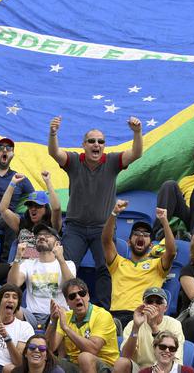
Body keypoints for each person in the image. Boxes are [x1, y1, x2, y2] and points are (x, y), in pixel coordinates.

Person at [48, 115, 142, 308]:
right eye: (92, 141)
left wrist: (137, 133)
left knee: (105, 269)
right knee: (66, 267)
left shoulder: (113, 161)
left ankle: (106, 311)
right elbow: (54, 152)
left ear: (104, 146)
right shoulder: (74, 160)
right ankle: (62, 308)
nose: (96, 144)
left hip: (103, 228)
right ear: (84, 145)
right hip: (75, 228)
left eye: (100, 141)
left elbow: (137, 153)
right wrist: (53, 133)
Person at [104, 201, 175, 327]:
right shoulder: (117, 262)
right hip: (116, 315)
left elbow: (171, 252)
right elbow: (106, 241)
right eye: (136, 233)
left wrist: (164, 221)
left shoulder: (157, 265)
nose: (141, 235)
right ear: (129, 242)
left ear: (152, 245)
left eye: (146, 235)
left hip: (144, 315)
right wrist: (114, 213)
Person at [0, 171, 61, 283]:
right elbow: (3, 209)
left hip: (42, 267)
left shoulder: (52, 226)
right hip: (19, 266)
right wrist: (12, 183)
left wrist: (48, 182)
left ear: (45, 208)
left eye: (37, 205)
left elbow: (56, 208)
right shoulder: (22, 223)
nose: (33, 209)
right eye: (30, 205)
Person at [7, 224, 76, 330]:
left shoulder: (68, 264)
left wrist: (61, 259)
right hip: (32, 316)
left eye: (47, 235)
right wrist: (17, 258)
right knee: (10, 307)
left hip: (57, 314)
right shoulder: (27, 263)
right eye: (39, 235)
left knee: (60, 313)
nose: (42, 237)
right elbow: (12, 284)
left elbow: (71, 287)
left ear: (57, 243)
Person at [46, 278, 119, 373]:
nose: (78, 298)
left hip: (103, 365)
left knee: (85, 357)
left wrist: (66, 329)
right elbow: (51, 347)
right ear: (67, 302)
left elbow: (93, 350)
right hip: (74, 365)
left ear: (88, 296)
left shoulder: (102, 315)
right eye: (72, 296)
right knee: (46, 359)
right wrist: (54, 321)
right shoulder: (65, 317)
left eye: (82, 293)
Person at [115, 287, 185, 373]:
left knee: (165, 364)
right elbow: (126, 355)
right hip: (140, 369)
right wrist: (136, 328)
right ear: (143, 305)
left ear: (165, 308)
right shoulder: (133, 324)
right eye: (149, 301)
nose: (154, 304)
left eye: (158, 302)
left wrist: (153, 326)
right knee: (121, 363)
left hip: (164, 368)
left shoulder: (174, 324)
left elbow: (171, 357)